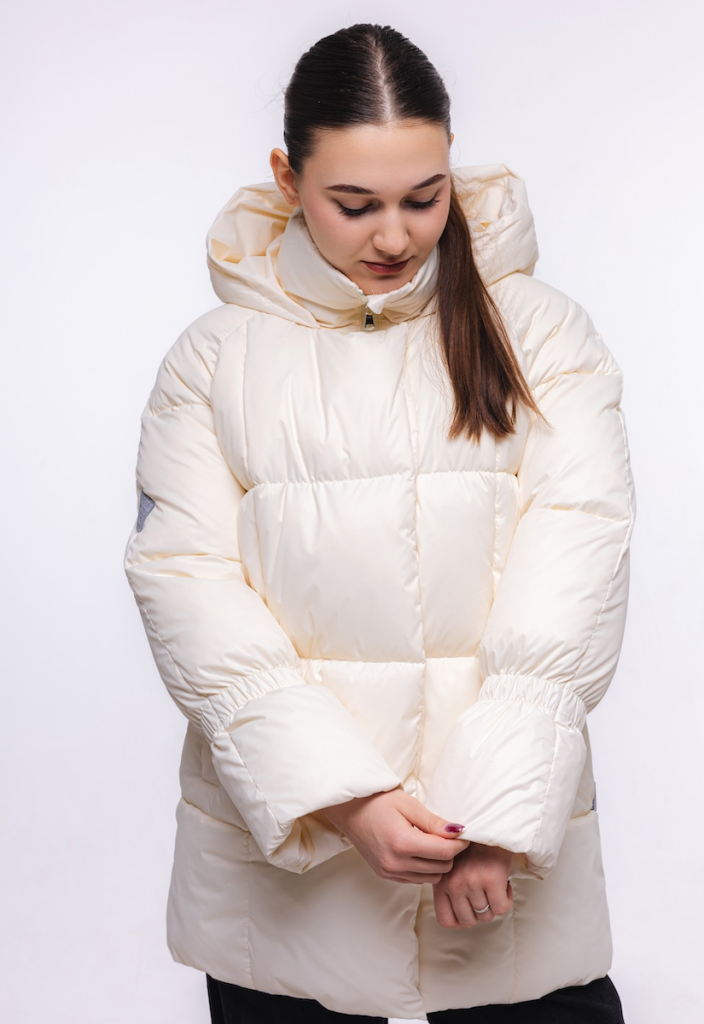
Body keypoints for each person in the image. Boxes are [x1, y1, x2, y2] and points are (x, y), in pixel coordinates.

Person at [125, 22, 635, 1024]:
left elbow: (577, 567)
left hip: (495, 848)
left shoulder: (541, 335)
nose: (395, 236)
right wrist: (343, 799)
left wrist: (492, 817)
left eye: (423, 197)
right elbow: (186, 586)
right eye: (354, 204)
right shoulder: (213, 360)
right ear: (288, 178)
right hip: (294, 848)